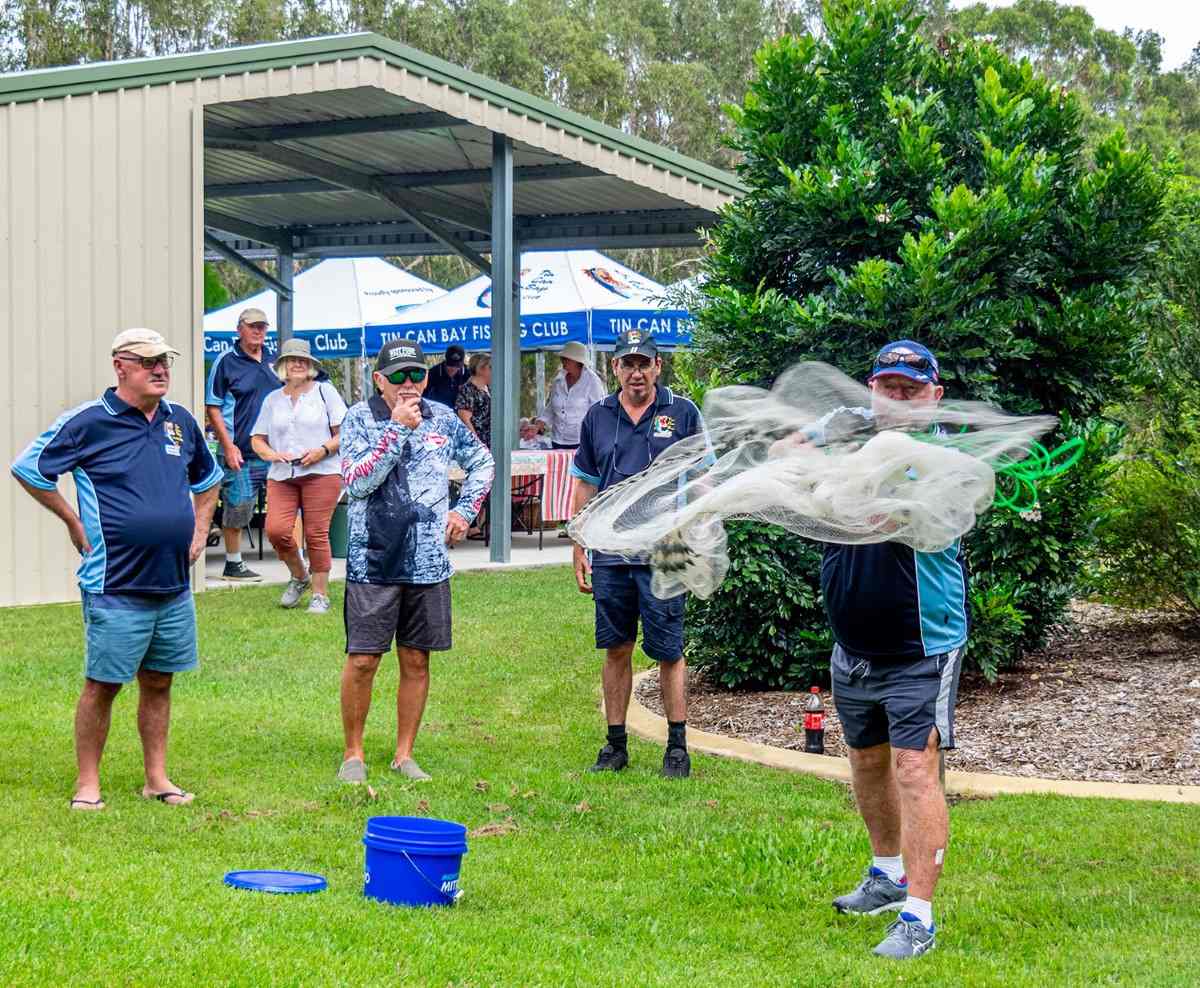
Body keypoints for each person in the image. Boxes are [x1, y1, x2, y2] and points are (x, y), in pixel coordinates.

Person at [10, 329, 222, 810]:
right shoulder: (88, 422)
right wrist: (70, 517)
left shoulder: (180, 422)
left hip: (172, 583)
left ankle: (157, 778)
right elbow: (28, 468)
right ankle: (88, 784)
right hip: (114, 581)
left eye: (165, 361)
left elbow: (208, 481)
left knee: (160, 680)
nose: (161, 369)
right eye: (149, 362)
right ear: (120, 366)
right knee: (103, 684)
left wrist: (198, 529)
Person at [804, 341, 966, 960]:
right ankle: (886, 874)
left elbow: (885, 516)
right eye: (886, 388)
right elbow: (788, 459)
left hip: (920, 644)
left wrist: (837, 482)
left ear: (934, 397)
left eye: (910, 389)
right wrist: (818, 442)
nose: (896, 399)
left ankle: (919, 917)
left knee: (913, 767)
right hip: (855, 645)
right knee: (866, 760)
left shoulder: (943, 458)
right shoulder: (847, 440)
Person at [337, 340, 494, 783]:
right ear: (379, 380)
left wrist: (465, 511)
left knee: (417, 660)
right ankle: (354, 753)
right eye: (400, 376)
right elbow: (358, 482)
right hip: (374, 562)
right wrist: (398, 429)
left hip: (428, 563)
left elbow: (483, 462)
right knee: (364, 660)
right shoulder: (359, 418)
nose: (411, 385)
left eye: (418, 375)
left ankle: (404, 753)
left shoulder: (444, 418)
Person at [569, 329, 707, 779]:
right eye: (627, 364)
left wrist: (699, 533)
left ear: (657, 366)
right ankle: (615, 745)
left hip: (667, 547)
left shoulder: (683, 413)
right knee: (616, 647)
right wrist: (579, 542)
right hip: (611, 548)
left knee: (669, 649)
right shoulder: (597, 417)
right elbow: (586, 483)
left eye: (643, 363)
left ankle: (677, 747)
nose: (636, 372)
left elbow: (704, 479)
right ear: (614, 369)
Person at [249, 339, 347, 614]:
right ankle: (300, 576)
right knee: (276, 530)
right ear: (282, 366)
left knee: (316, 533)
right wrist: (269, 454)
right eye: (292, 360)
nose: (297, 364)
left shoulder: (325, 392)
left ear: (310, 366)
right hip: (283, 473)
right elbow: (257, 438)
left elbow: (344, 433)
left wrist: (322, 450)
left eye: (302, 360)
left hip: (322, 471)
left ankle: (320, 594)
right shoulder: (272, 399)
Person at [205, 307, 282, 581]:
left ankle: (295, 562)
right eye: (253, 326)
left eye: (262, 326)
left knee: (287, 507)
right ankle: (233, 563)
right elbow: (213, 407)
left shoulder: (275, 360)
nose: (258, 331)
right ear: (239, 329)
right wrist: (228, 446)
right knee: (238, 507)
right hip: (241, 451)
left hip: (276, 452)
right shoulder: (226, 361)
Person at [535, 340, 606, 450]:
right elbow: (551, 407)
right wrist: (538, 425)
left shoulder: (592, 381)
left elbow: (599, 411)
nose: (562, 361)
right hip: (557, 440)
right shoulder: (558, 380)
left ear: (577, 361)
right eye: (562, 358)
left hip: (582, 442)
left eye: (565, 358)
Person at [456, 353, 492, 448]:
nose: (494, 370)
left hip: (493, 441)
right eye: (490, 367)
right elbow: (465, 420)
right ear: (480, 369)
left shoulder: (490, 388)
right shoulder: (467, 390)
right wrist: (478, 444)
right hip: (479, 444)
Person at [424, 343, 468, 409]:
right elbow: (425, 395)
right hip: (439, 411)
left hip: (461, 412)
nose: (453, 369)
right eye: (450, 365)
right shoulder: (433, 373)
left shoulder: (469, 373)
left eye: (457, 366)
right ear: (446, 361)